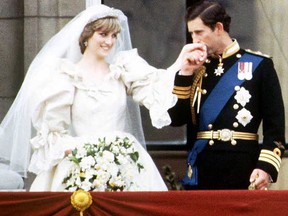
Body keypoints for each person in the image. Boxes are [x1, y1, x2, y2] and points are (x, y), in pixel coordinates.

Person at [0, 4, 199, 191]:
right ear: (86, 37)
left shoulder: (123, 69)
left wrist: (181, 65)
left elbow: (157, 86)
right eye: (103, 34)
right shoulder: (66, 77)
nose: (110, 41)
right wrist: (89, 154)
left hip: (124, 164)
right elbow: (54, 135)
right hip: (79, 165)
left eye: (114, 35)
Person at [168, 0, 286, 190]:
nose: (194, 40)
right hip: (203, 167)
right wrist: (185, 74)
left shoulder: (260, 65)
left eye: (199, 33)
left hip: (243, 168)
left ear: (219, 28)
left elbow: (275, 126)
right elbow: (175, 119)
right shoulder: (195, 68)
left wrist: (265, 167)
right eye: (191, 34)